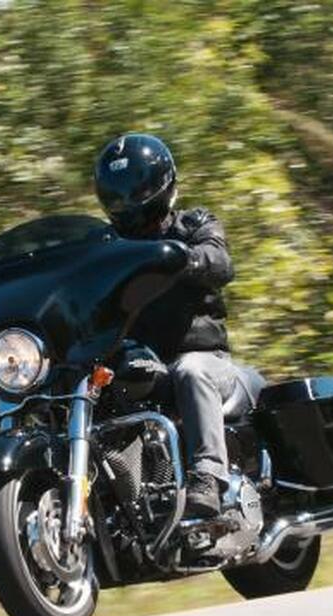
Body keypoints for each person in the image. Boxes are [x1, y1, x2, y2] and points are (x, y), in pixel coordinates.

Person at [93, 133, 238, 520]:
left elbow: (220, 262)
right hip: (145, 363)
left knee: (190, 371)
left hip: (206, 360)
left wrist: (182, 260)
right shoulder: (106, 247)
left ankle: (208, 476)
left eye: (135, 188)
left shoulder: (194, 224)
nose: (126, 199)